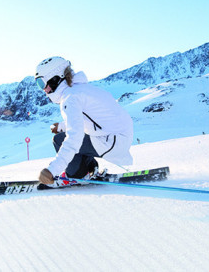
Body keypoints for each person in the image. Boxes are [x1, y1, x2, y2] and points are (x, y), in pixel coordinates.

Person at [34, 56, 134, 185]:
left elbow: (74, 137)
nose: (43, 90)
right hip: (118, 136)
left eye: (41, 83)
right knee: (72, 136)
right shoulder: (81, 89)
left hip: (111, 141)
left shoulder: (70, 98)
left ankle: (76, 176)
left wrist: (52, 170)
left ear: (55, 78)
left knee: (59, 140)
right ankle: (90, 169)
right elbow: (90, 120)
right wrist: (62, 127)